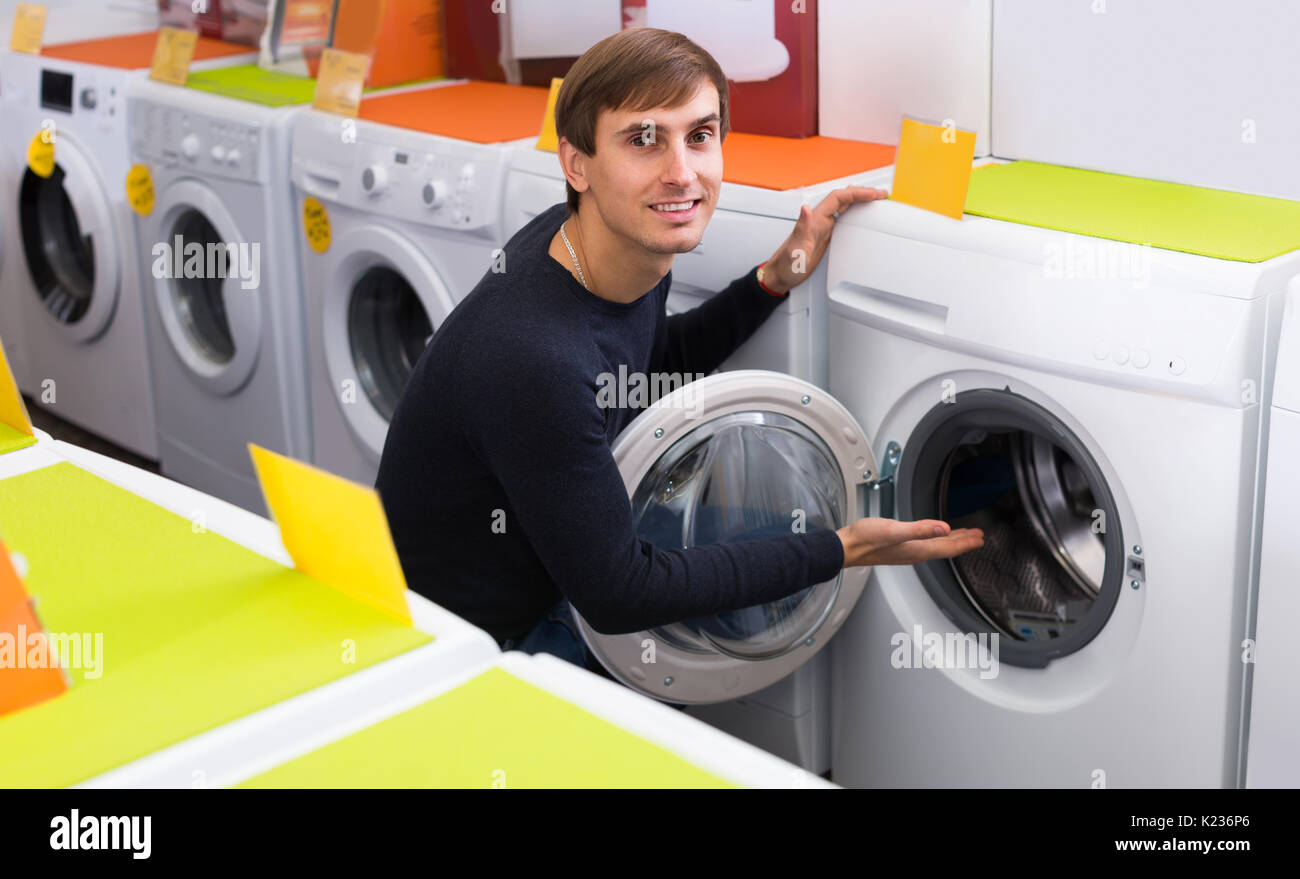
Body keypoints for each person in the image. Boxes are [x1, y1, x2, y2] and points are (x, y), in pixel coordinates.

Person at [376, 28, 984, 672]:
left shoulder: (604, 242)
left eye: (700, 135)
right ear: (576, 163)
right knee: (788, 559)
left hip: (559, 554)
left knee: (823, 519)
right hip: (478, 646)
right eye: (643, 139)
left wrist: (773, 279)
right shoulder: (533, 357)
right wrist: (844, 550)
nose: (681, 173)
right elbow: (620, 595)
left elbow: (644, 363)